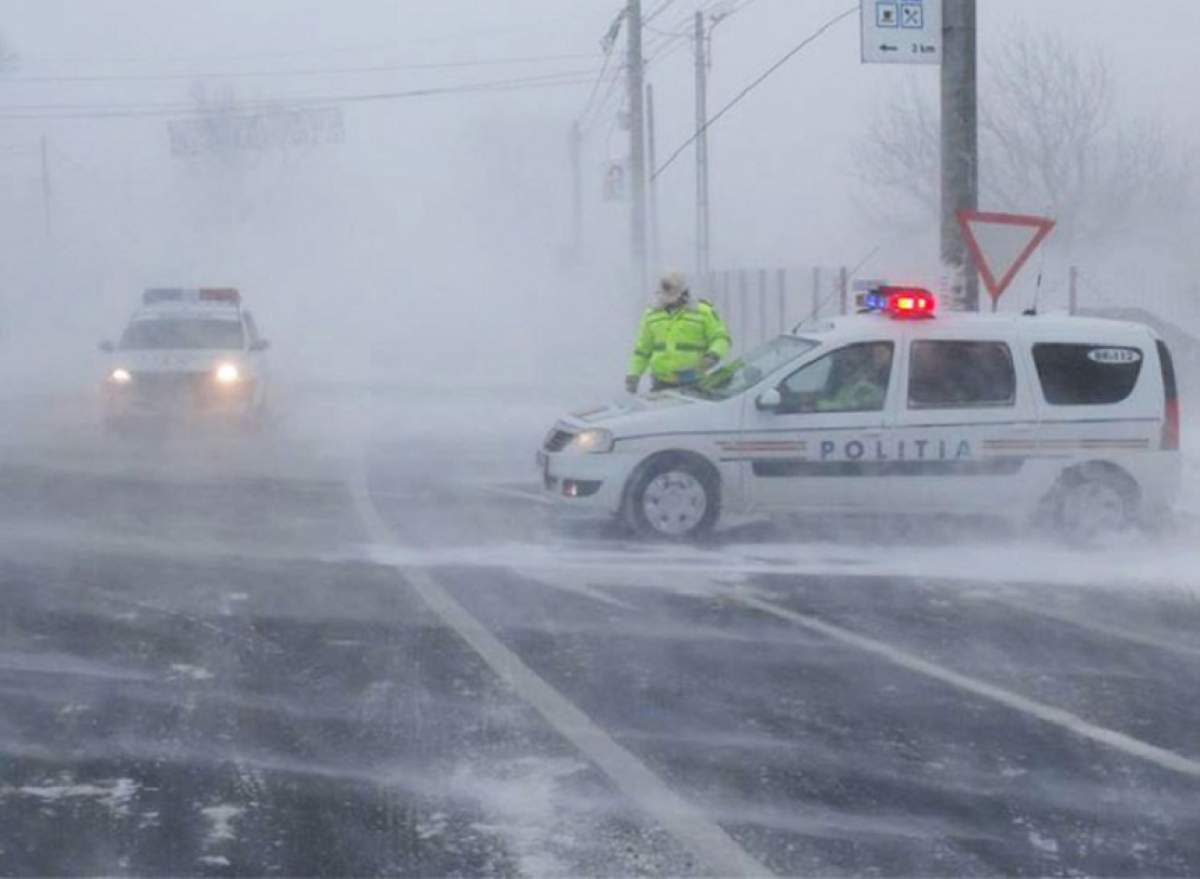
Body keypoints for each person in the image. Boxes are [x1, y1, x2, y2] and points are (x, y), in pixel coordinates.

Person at [626, 272, 731, 393]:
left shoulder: (703, 311)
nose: (669, 301)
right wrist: (633, 374)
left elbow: (721, 338)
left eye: (673, 297)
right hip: (661, 384)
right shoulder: (651, 315)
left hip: (694, 382)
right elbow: (642, 350)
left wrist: (713, 355)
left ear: (684, 293)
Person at [817, 343, 893, 412]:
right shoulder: (846, 387)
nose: (844, 368)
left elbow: (845, 406)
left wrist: (818, 404)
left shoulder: (867, 390)